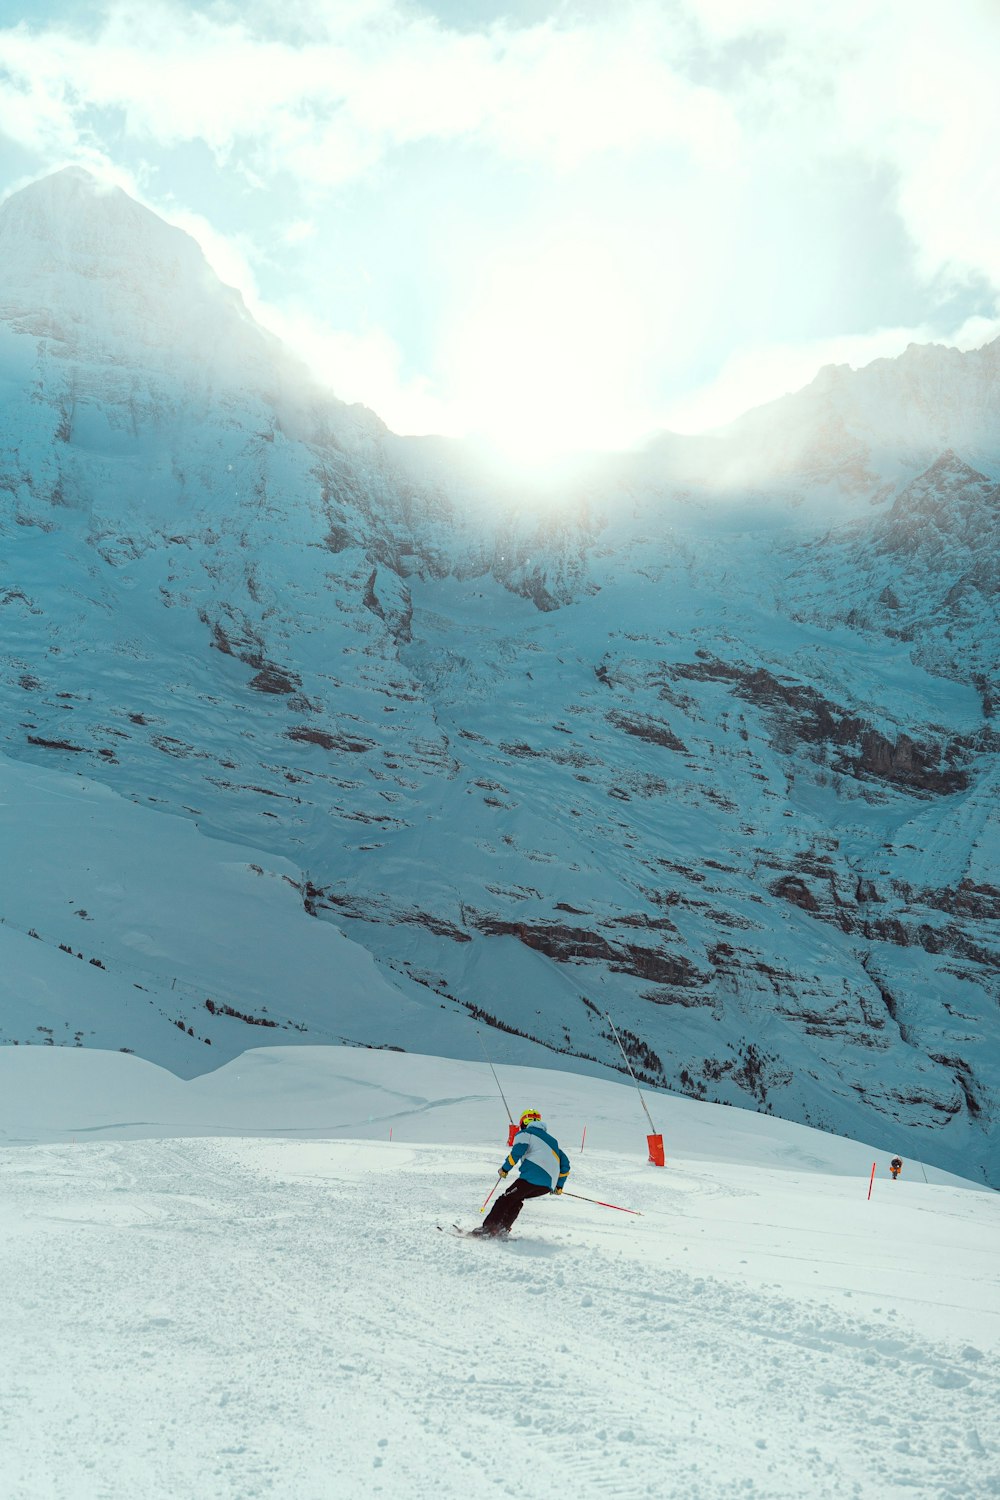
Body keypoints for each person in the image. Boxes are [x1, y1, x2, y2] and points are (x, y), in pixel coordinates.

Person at [474, 1108, 571, 1238]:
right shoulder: (553, 1142)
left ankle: (489, 1229)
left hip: (530, 1179)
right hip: (546, 1186)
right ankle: (502, 1229)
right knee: (516, 1199)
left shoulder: (525, 1133)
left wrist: (504, 1169)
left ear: (523, 1122)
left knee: (505, 1199)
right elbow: (565, 1165)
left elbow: (517, 1152)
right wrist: (559, 1186)